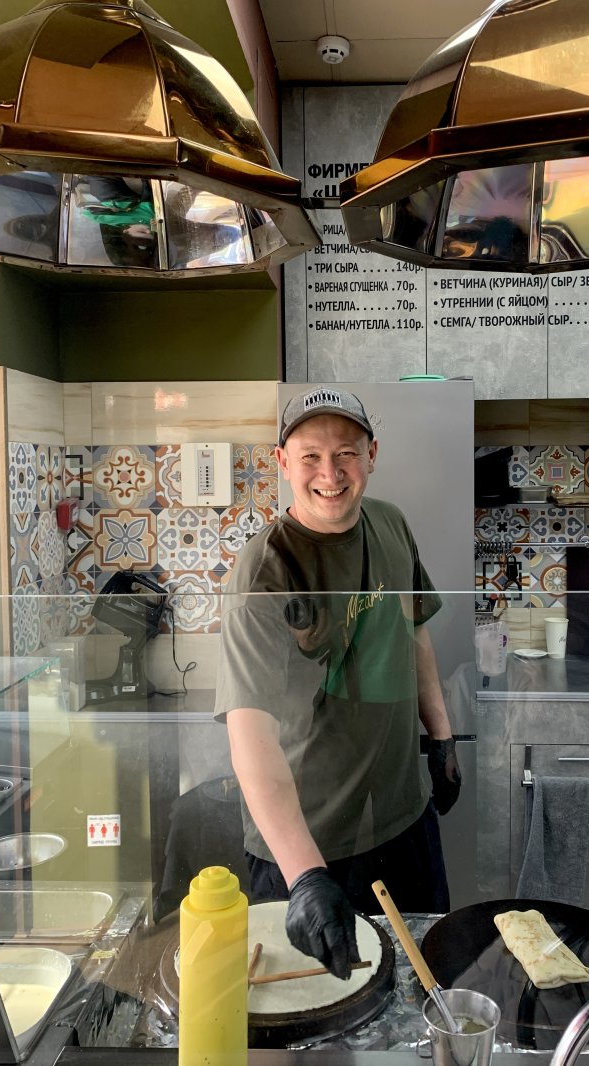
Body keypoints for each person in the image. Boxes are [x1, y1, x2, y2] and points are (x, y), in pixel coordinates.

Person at [214, 387, 462, 980]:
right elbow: (250, 736)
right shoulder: (264, 570)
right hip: (310, 842)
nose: (330, 474)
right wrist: (305, 876)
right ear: (283, 462)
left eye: (346, 453)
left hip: (402, 817)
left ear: (371, 454)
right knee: (314, 1007)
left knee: (422, 983)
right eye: (311, 457)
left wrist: (442, 737)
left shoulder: (391, 523)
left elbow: (414, 631)